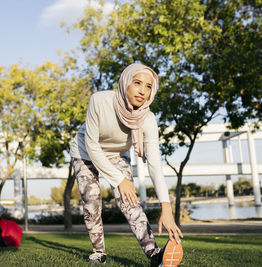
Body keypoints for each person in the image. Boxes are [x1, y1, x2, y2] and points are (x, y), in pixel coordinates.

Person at [70, 63, 183, 266]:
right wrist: (120, 179)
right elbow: (92, 145)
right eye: (137, 82)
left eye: (149, 86)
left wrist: (166, 208)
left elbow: (155, 164)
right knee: (92, 201)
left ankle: (155, 255)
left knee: (130, 202)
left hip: (116, 154)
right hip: (85, 151)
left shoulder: (147, 119)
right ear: (125, 82)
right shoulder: (100, 101)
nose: (142, 90)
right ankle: (98, 252)